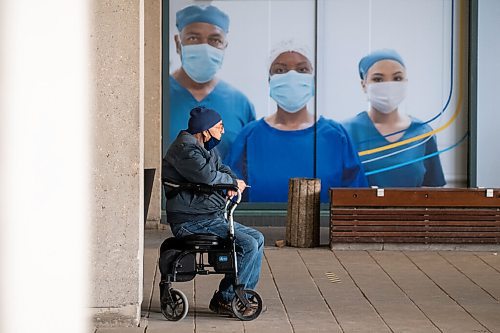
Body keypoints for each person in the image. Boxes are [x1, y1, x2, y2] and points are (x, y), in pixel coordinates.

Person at [226, 40, 367, 202]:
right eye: (280, 70)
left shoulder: (335, 136)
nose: (291, 76)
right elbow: (229, 197)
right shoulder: (250, 136)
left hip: (324, 228)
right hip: (259, 227)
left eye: (302, 69)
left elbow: (357, 199)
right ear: (270, 81)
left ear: (313, 81)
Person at [163, 106, 264, 317]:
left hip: (210, 216)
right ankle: (226, 298)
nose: (223, 131)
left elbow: (222, 169)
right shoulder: (186, 151)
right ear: (206, 129)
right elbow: (208, 176)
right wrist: (231, 183)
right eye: (219, 127)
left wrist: (230, 181)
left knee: (258, 238)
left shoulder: (205, 147)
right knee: (248, 244)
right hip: (191, 220)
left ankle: (237, 295)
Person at [342, 49, 446, 187]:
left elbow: (434, 192)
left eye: (397, 78)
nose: (388, 85)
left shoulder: (423, 133)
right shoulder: (345, 132)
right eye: (378, 79)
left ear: (405, 82)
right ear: (364, 85)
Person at [167, 4, 256, 159]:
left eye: (215, 40)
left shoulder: (240, 104)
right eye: (193, 38)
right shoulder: (157, 95)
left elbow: (248, 165)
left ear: (224, 45)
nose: (204, 47)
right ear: (177, 43)